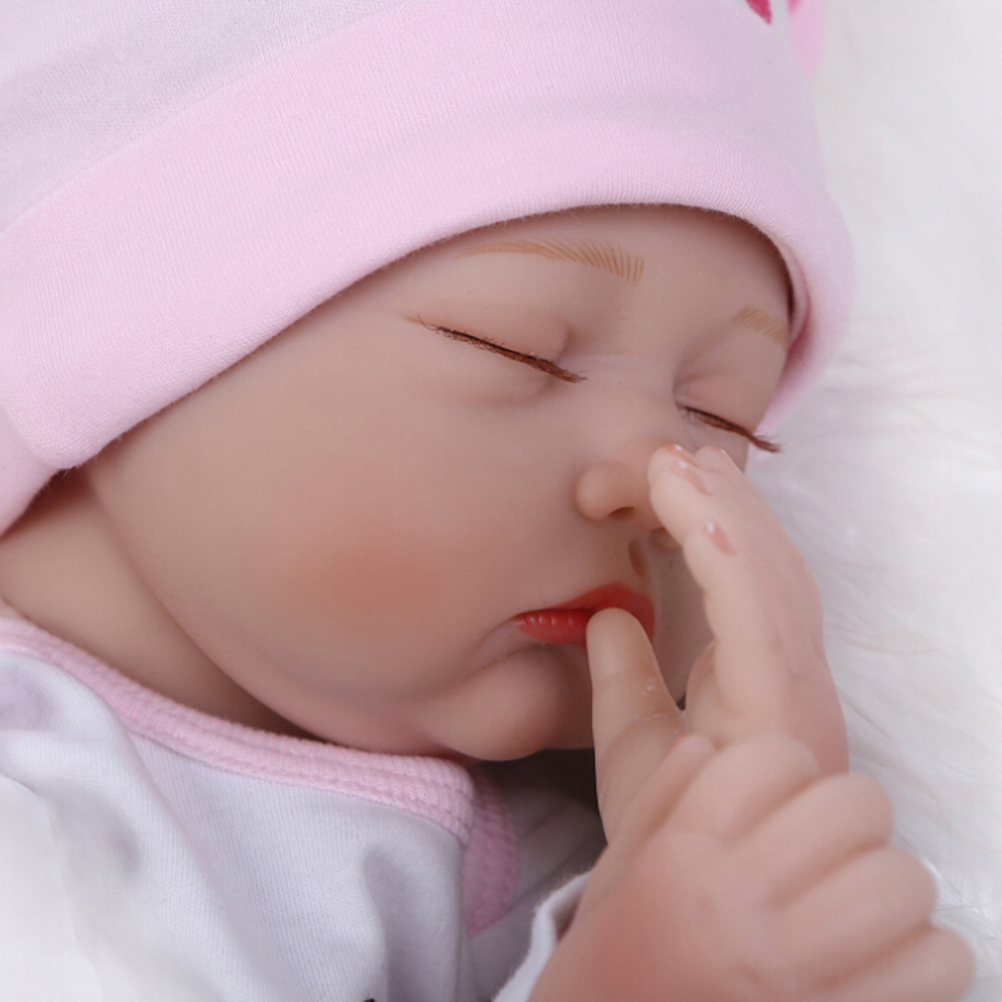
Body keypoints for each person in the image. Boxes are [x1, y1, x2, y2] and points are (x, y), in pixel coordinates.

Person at [0, 1, 974, 999]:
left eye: (723, 417)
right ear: (107, 338)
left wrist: (764, 837)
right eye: (520, 351)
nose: (655, 479)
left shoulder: (583, 862)